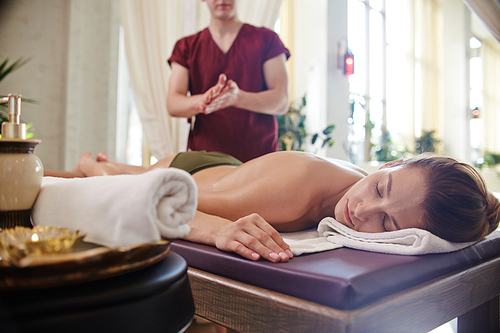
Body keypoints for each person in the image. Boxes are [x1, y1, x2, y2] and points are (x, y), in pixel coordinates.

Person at [65, 150, 500, 263]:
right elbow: (156, 195)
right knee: (122, 176)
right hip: (195, 172)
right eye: (381, 186)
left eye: (387, 222)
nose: (363, 210)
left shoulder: (365, 194)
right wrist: (216, 230)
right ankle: (91, 164)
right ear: (390, 163)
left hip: (239, 173)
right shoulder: (295, 189)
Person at [166, 0, 290, 162]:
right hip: (206, 160)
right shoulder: (186, 47)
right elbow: (173, 104)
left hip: (260, 159)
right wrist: (203, 100)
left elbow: (281, 101)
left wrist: (238, 98)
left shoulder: (267, 40)